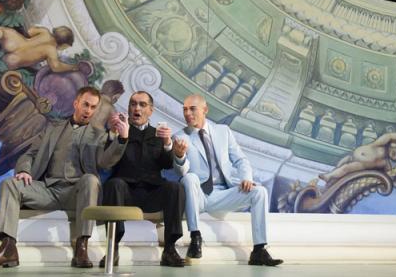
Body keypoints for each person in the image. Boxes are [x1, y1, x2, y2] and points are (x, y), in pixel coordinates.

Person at [0, 86, 128, 269]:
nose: (89, 110)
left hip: (76, 194)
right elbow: (29, 154)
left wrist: (121, 139)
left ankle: (82, 247)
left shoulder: (98, 135)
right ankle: (8, 248)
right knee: (10, 184)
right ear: (76, 103)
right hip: (48, 190)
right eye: (85, 105)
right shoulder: (52, 129)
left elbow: (105, 162)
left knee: (91, 180)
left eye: (93, 107)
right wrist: (25, 170)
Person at [173, 94, 283, 266]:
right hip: (198, 195)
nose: (187, 113)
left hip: (223, 193)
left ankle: (259, 250)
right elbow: (180, 172)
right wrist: (179, 156)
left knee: (260, 192)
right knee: (189, 177)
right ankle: (195, 237)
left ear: (205, 110)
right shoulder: (179, 137)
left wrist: (246, 178)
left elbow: (240, 159)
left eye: (192, 109)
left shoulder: (223, 132)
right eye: (185, 109)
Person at [100, 91, 186, 268]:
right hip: (126, 192)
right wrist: (116, 136)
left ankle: (170, 249)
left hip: (152, 192)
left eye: (142, 104)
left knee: (175, 188)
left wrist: (168, 144)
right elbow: (106, 163)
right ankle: (113, 248)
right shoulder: (119, 131)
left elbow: (167, 164)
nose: (136, 108)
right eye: (133, 104)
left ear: (151, 111)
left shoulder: (158, 134)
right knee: (114, 184)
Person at [318, 131, 396, 185]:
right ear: (392, 144)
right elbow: (389, 136)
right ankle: (330, 176)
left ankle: (329, 176)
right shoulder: (379, 145)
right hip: (351, 157)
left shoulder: (385, 163)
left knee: (345, 168)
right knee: (340, 166)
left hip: (361, 165)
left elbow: (389, 174)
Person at [0, 25, 77, 72]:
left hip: (16, 43)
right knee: (12, 61)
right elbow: (56, 67)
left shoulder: (45, 31)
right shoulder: (51, 51)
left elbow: (30, 31)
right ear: (64, 45)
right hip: (16, 59)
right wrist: (72, 67)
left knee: (3, 31)